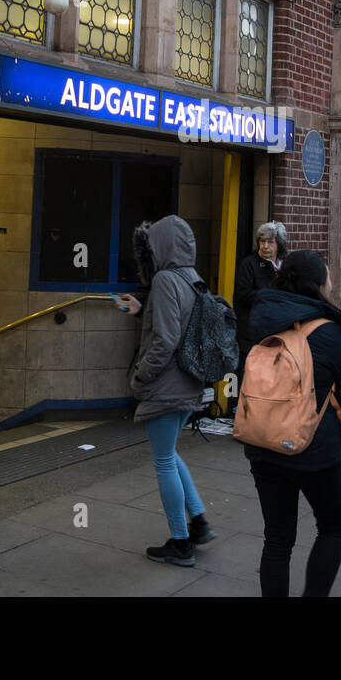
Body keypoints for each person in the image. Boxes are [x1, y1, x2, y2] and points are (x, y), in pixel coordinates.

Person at [241, 251, 341, 597]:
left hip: (263, 443)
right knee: (333, 527)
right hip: (313, 449)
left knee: (277, 540)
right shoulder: (329, 330)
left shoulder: (263, 318)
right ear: (318, 281)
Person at [118, 216, 213, 566]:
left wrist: (142, 376)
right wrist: (140, 311)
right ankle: (199, 521)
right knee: (170, 454)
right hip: (190, 381)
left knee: (163, 462)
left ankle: (181, 542)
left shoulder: (163, 279)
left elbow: (166, 339)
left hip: (166, 384)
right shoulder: (192, 277)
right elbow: (176, 322)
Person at [233, 221, 289, 383]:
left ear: (279, 244)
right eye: (262, 241)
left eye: (270, 242)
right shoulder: (249, 264)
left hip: (279, 332)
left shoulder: (286, 265)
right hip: (252, 332)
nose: (265, 246)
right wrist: (271, 296)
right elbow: (243, 295)